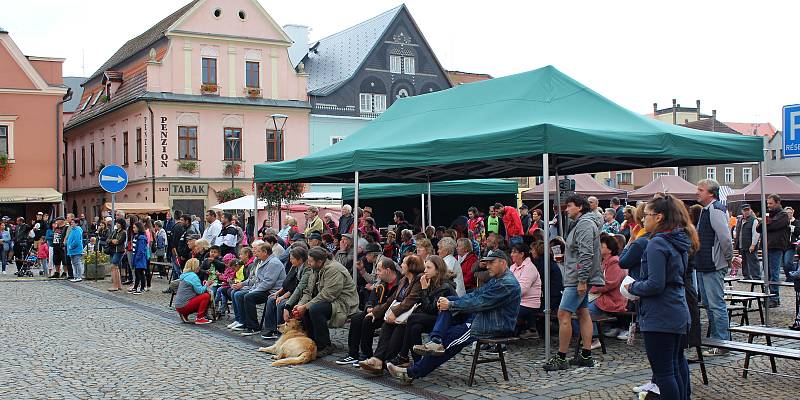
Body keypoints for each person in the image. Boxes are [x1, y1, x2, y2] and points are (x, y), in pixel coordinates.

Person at [388, 250, 521, 383]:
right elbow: (475, 294)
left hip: (491, 325)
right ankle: (436, 340)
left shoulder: (506, 283)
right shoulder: (498, 279)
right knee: (448, 302)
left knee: (451, 338)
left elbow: (480, 302)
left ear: (503, 263)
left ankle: (412, 372)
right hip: (480, 317)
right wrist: (450, 302)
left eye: (491, 263)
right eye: (487, 263)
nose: (487, 266)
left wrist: (451, 305)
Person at [624, 195, 697, 400]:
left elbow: (656, 283)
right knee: (675, 365)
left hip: (660, 314)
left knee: (664, 373)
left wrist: (634, 287)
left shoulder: (657, 243)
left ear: (659, 217)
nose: (643, 219)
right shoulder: (679, 239)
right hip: (677, 308)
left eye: (646, 215)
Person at [543, 194, 605, 371]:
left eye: (569, 205)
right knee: (583, 312)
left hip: (577, 278)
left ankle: (562, 357)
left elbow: (587, 254)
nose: (566, 209)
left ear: (579, 207)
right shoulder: (581, 222)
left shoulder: (584, 223)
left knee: (563, 314)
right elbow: (580, 252)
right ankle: (586, 355)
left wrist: (582, 280)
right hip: (576, 275)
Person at [359, 255, 425, 373]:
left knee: (397, 333)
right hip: (399, 313)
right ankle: (377, 359)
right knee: (385, 327)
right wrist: (375, 312)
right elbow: (391, 299)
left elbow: (410, 300)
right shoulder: (404, 280)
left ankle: (386, 361)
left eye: (404, 263)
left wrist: (394, 313)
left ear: (411, 266)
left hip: (409, 316)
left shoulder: (418, 280)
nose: (401, 265)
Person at [294, 247, 360, 357]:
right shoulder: (315, 269)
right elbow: (308, 291)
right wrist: (301, 304)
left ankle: (325, 345)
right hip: (330, 299)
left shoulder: (334, 269)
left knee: (315, 309)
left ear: (319, 261)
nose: (308, 263)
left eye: (310, 261)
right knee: (307, 309)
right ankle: (312, 341)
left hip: (344, 302)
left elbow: (328, 294)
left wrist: (306, 306)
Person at [394, 255, 457, 367]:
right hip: (433, 318)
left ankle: (403, 355)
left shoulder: (445, 286)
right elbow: (426, 307)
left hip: (445, 322)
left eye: (428, 268)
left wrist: (424, 289)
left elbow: (430, 309)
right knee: (415, 327)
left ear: (437, 270)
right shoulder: (432, 282)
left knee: (413, 318)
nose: (425, 271)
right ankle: (419, 363)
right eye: (425, 267)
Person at [336, 257, 401, 366]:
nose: (377, 273)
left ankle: (366, 354)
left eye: (379, 270)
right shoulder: (382, 281)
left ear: (388, 270)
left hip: (390, 312)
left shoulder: (399, 283)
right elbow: (372, 297)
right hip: (377, 310)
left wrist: (374, 311)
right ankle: (353, 354)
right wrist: (369, 307)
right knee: (357, 318)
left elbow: (391, 303)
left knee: (368, 320)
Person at [695, 178, 733, 353]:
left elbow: (725, 238)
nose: (697, 192)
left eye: (700, 190)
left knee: (716, 305)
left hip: (713, 264)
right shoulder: (706, 210)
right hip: (704, 263)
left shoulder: (716, 210)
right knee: (710, 305)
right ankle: (717, 341)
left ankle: (722, 342)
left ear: (710, 193)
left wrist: (728, 259)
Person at [229, 242, 286, 336]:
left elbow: (268, 283)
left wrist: (253, 290)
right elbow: (254, 278)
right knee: (238, 294)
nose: (256, 253)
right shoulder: (261, 261)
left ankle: (253, 327)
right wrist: (242, 284)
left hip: (272, 291)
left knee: (248, 296)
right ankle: (243, 321)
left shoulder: (273, 263)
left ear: (265, 252)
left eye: (258, 251)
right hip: (262, 288)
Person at [585, 234, 627, 342]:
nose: (599, 248)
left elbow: (609, 283)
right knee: (579, 307)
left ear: (609, 249)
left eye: (601, 246)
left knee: (585, 310)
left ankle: (593, 338)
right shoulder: (604, 261)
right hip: (602, 295)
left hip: (612, 298)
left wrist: (591, 288)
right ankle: (586, 335)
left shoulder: (615, 262)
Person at [262, 246, 308, 340]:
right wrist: (278, 293)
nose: (290, 260)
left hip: (300, 295)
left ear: (300, 259)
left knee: (282, 304)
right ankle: (271, 328)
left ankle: (282, 332)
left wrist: (283, 297)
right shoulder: (294, 267)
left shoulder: (306, 270)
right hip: (290, 292)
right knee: (271, 299)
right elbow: (287, 283)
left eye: (292, 258)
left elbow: (297, 288)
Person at [757, 194, 790, 307]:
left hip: (776, 246)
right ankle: (769, 296)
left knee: (774, 273)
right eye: (768, 203)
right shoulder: (770, 215)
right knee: (767, 273)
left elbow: (772, 226)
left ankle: (774, 297)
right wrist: (765, 222)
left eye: (770, 203)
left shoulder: (783, 215)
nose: (768, 205)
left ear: (777, 203)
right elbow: (759, 228)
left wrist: (765, 222)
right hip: (767, 246)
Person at [509, 242, 541, 337]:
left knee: (503, 309)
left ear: (522, 254)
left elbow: (522, 290)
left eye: (514, 252)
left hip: (529, 304)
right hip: (516, 302)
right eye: (511, 252)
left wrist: (506, 295)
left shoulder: (529, 268)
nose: (511, 254)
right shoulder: (512, 267)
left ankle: (502, 338)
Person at [174, 258, 214, 324]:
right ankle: (200, 318)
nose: (199, 267)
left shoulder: (185, 275)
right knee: (206, 296)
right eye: (198, 265)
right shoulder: (193, 276)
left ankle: (185, 314)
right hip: (184, 305)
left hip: (179, 305)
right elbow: (200, 291)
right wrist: (207, 284)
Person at [734, 204, 760, 279]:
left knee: (753, 261)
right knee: (744, 262)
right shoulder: (740, 220)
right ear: (742, 211)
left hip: (750, 245)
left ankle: (756, 277)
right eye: (745, 210)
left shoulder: (754, 220)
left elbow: (756, 233)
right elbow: (737, 232)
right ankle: (746, 276)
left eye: (748, 210)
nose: (746, 212)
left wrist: (753, 244)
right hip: (742, 245)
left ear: (750, 210)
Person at [107, 219, 127, 291]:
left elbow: (118, 241)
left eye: (119, 223)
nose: (117, 224)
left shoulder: (123, 232)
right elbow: (108, 239)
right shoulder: (114, 231)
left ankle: (115, 285)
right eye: (117, 223)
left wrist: (112, 240)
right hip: (113, 250)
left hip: (119, 251)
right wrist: (112, 240)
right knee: (116, 267)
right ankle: (118, 285)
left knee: (113, 266)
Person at [128, 222, 148, 293]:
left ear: (138, 228)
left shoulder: (141, 237)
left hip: (140, 258)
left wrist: (136, 258)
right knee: (137, 273)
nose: (133, 229)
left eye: (134, 228)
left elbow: (140, 250)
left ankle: (142, 287)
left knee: (140, 273)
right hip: (136, 257)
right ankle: (136, 287)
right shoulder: (137, 236)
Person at [66, 217, 85, 283]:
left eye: (73, 223)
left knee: (77, 263)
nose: (71, 224)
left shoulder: (77, 230)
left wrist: (71, 246)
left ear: (76, 223)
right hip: (72, 250)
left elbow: (77, 241)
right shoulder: (73, 229)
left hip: (76, 250)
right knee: (74, 263)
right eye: (71, 223)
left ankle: (79, 276)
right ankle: (76, 276)